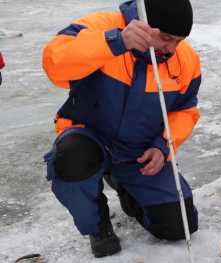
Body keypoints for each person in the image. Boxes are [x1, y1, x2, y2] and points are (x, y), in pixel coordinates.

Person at [42, 0, 200, 258]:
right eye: (166, 38)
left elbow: (185, 110)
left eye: (179, 41)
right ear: (146, 23)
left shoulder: (186, 60)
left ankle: (125, 186)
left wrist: (162, 146)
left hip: (138, 150)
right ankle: (98, 224)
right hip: (89, 137)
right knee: (71, 160)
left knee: (180, 225)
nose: (171, 48)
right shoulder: (100, 27)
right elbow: (54, 64)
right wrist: (115, 42)